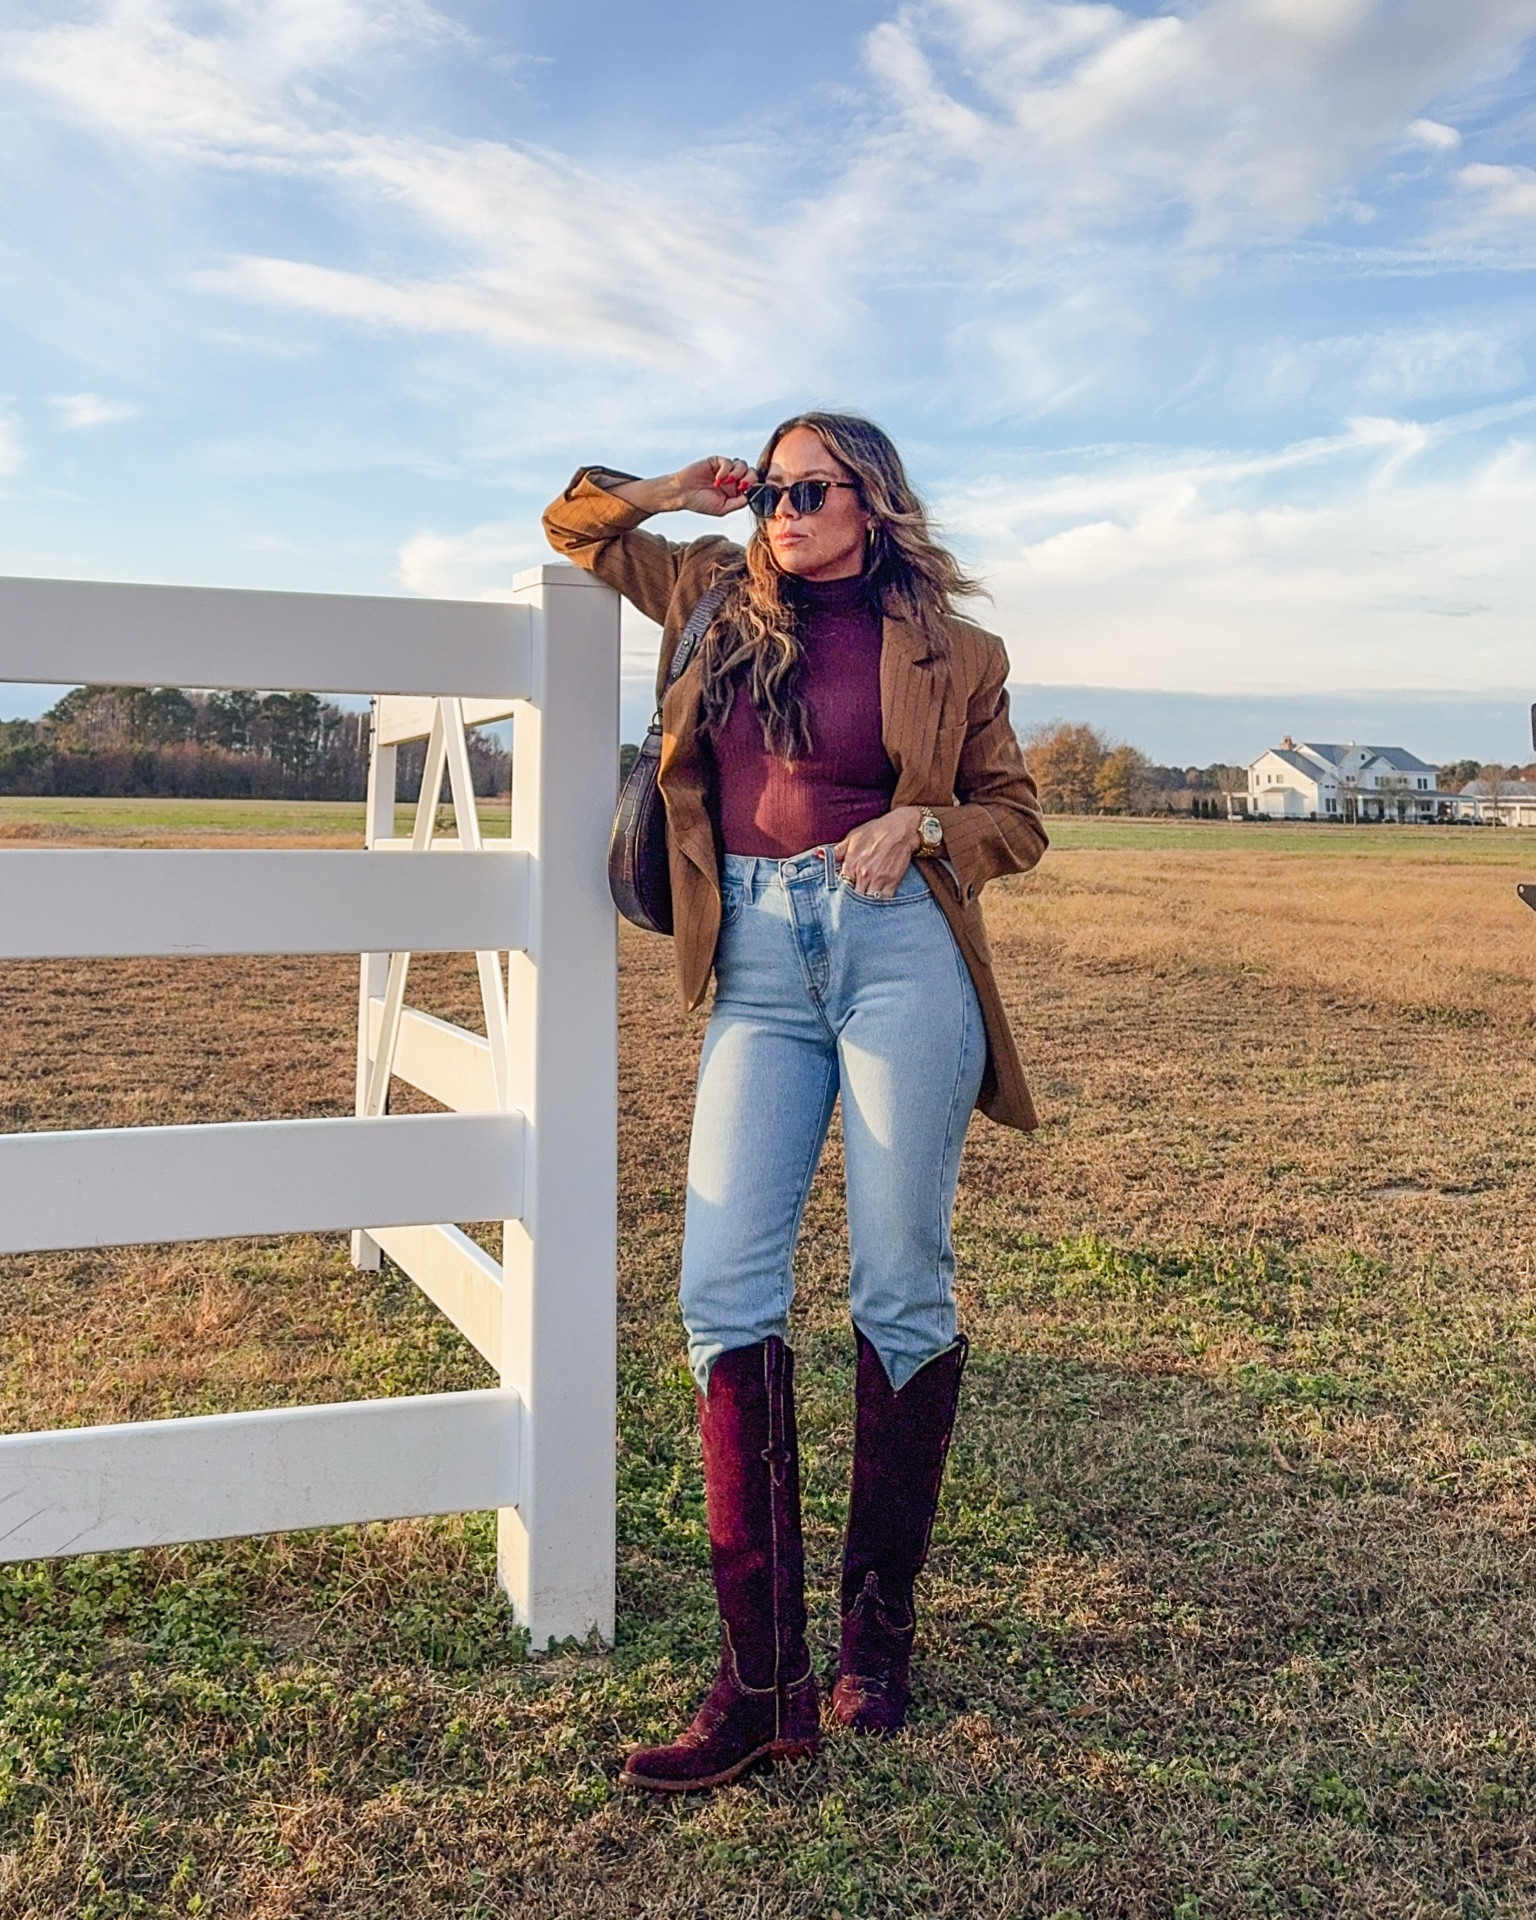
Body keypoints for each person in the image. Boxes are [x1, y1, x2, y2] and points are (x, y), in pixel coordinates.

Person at [542, 413, 1046, 1793]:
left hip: (900, 958)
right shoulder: (711, 589)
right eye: (768, 487)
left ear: (872, 502)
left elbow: (1020, 814)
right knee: (721, 1286)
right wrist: (667, 490)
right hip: (757, 962)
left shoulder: (958, 651)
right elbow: (573, 528)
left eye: (806, 489)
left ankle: (874, 1644)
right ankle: (760, 1686)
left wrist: (922, 823)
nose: (780, 507)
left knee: (897, 1285)